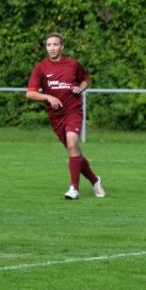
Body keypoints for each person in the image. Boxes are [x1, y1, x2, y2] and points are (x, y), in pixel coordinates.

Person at [26, 33, 106, 200]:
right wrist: (47, 96)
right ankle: (95, 180)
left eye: (56, 44)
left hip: (73, 111)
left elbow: (84, 79)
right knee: (73, 150)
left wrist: (81, 88)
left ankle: (74, 188)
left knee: (72, 142)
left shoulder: (73, 64)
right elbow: (30, 93)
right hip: (56, 117)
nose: (52, 48)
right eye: (49, 45)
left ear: (62, 47)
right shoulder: (41, 68)